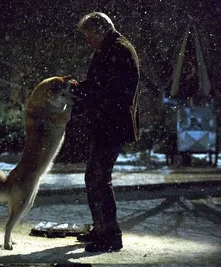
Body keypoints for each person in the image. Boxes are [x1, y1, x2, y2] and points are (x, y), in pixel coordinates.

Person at [70, 12, 140, 252]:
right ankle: (101, 228)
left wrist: (88, 97)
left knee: (99, 178)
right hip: (107, 123)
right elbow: (99, 84)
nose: (87, 40)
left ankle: (110, 235)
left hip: (112, 124)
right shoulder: (109, 49)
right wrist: (79, 89)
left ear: (100, 30)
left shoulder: (119, 50)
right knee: (95, 177)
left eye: (89, 35)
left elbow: (115, 90)